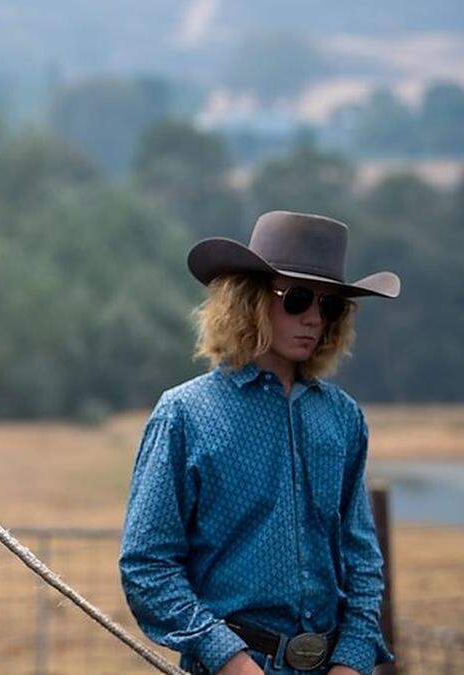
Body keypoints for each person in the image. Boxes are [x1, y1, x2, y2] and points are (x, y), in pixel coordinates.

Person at [119, 211, 399, 674]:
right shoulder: (185, 414)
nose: (314, 319)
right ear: (248, 299)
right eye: (299, 299)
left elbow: (362, 560)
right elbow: (148, 565)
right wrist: (229, 659)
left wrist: (351, 661)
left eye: (330, 307)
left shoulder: (344, 418)